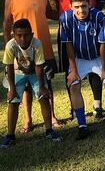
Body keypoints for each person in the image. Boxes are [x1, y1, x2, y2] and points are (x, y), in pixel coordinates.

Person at [3, 0, 61, 132]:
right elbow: (6, 24)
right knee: (26, 87)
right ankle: (28, 119)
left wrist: (67, 14)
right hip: (21, 51)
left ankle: (52, 116)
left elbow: (50, 13)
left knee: (46, 83)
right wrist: (11, 48)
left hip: (43, 48)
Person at [50, 0, 104, 119]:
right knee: (69, 69)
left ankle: (98, 105)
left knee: (94, 63)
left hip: (91, 30)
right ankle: (74, 107)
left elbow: (99, 3)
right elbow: (54, 6)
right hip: (67, 31)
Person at [60, 0, 105, 139]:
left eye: (84, 6)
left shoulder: (98, 16)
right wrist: (73, 70)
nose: (81, 10)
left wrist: (104, 69)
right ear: (70, 6)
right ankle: (82, 126)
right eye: (77, 7)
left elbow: (103, 44)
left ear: (90, 4)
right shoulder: (65, 18)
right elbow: (68, 45)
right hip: (79, 58)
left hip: (98, 57)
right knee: (74, 85)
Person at [1, 19, 62, 148]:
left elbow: (39, 67)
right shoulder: (10, 46)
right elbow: (10, 68)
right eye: (19, 35)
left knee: (43, 98)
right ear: (13, 35)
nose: (23, 39)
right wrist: (12, 89)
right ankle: (10, 136)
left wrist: (42, 87)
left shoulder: (37, 44)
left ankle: (49, 131)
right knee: (13, 101)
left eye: (26, 35)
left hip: (34, 72)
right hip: (17, 73)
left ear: (32, 34)